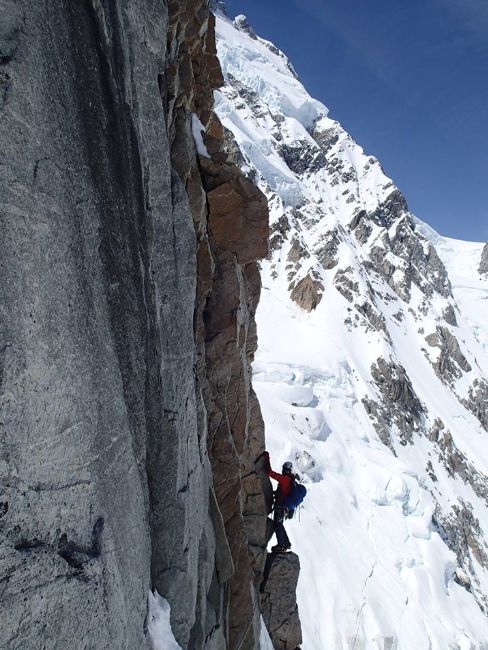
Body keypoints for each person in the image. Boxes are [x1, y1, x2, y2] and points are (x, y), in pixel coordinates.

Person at [263, 451, 294, 552]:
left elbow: (270, 472)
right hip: (284, 507)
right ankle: (286, 543)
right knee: (279, 524)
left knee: (278, 525)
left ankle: (282, 544)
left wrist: (266, 458)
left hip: (280, 507)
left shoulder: (285, 479)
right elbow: (283, 492)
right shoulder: (290, 481)